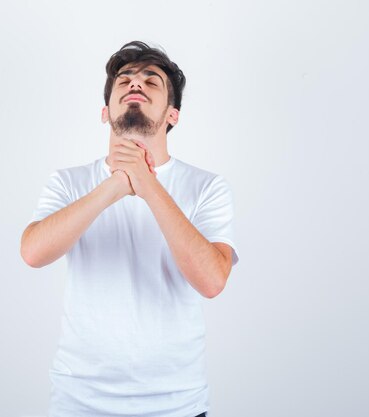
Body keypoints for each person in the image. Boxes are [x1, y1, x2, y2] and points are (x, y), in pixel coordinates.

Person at [20, 41, 239, 417]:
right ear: (105, 112)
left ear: (173, 115)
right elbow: (33, 253)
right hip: (79, 403)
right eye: (124, 80)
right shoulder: (68, 182)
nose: (135, 84)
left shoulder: (207, 187)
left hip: (177, 405)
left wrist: (146, 182)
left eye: (151, 81)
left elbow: (212, 281)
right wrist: (115, 185)